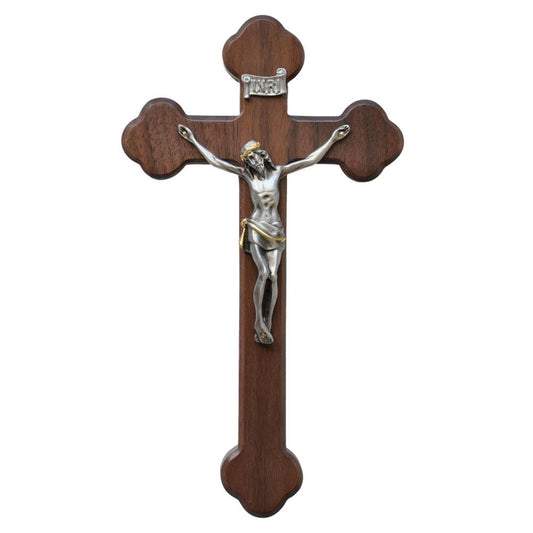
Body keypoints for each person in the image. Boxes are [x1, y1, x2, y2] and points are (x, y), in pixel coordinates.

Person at [178, 123, 350, 344]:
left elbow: (309, 160)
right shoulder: (248, 177)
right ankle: (258, 321)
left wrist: (333, 139)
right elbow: (216, 161)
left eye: (255, 158)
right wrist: (193, 140)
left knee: (273, 276)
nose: (254, 163)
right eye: (249, 160)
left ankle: (268, 321)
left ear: (263, 156)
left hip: (276, 230)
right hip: (256, 227)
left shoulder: (278, 172)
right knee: (262, 272)